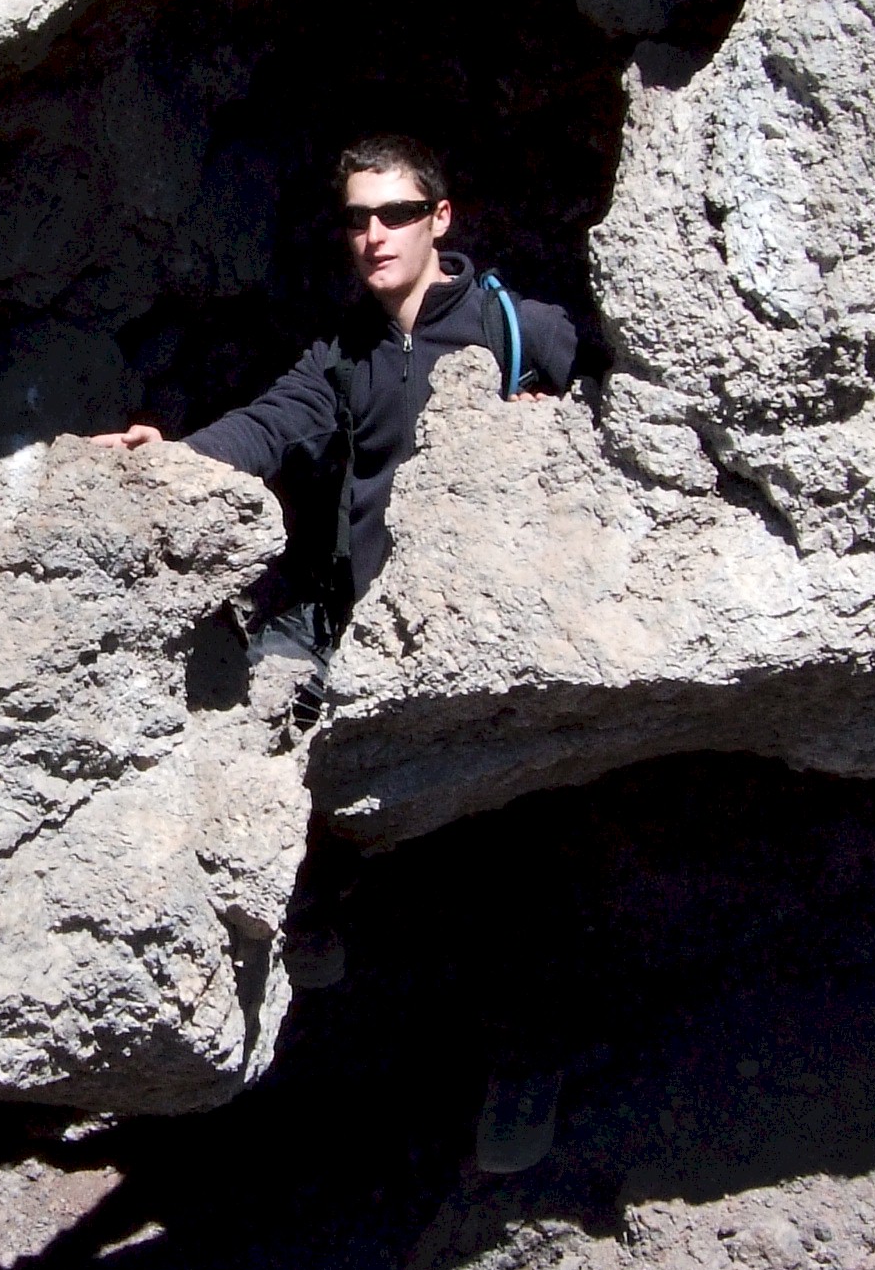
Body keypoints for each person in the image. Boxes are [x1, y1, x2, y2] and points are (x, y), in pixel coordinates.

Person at [91, 132, 581, 1172]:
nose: (375, 236)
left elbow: (631, 411)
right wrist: (173, 458)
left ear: (440, 219)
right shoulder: (345, 350)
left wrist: (555, 427)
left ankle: (525, 1064)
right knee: (258, 724)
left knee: (493, 863)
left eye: (396, 214)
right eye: (358, 218)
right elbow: (269, 427)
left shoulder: (515, 328)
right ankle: (313, 907)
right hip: (359, 615)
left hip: (479, 638)